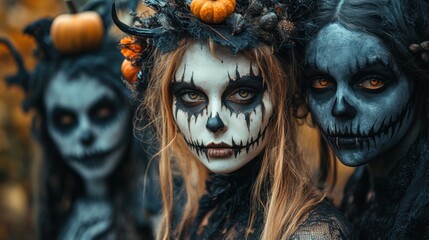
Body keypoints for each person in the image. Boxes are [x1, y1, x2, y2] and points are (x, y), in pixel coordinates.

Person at [113, 0, 355, 239]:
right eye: (192, 95)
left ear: (282, 95)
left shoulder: (313, 234)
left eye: (242, 93)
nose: (214, 122)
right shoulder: (192, 211)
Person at [2, 3, 161, 239]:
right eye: (65, 121)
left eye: (102, 113)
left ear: (131, 110)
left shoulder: (163, 211)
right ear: (47, 129)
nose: (85, 135)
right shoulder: (59, 214)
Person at [302, 0, 429, 238]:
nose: (339, 108)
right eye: (322, 83)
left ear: (419, 78)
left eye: (372, 81)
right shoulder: (362, 192)